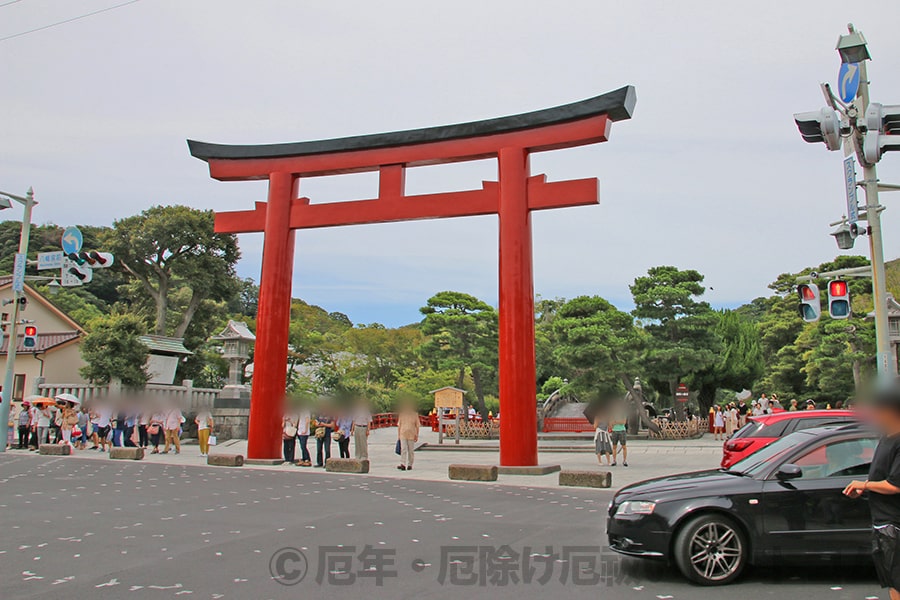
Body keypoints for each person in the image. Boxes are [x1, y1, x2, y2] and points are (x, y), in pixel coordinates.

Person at [843, 385, 900, 599]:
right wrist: (864, 487)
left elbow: (895, 485)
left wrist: (865, 485)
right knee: (892, 579)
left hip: (894, 523)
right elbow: (881, 477)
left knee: (897, 577)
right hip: (882, 520)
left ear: (892, 410)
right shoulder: (887, 438)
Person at [397, 400, 420, 471]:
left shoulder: (415, 415)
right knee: (403, 449)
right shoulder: (402, 414)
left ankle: (410, 464)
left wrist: (417, 434)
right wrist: (398, 436)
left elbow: (417, 426)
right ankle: (403, 463)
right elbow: (399, 425)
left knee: (411, 450)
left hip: (411, 434)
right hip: (403, 433)